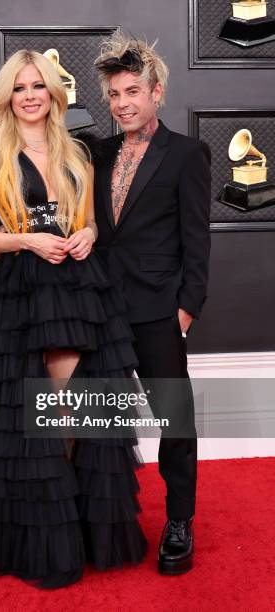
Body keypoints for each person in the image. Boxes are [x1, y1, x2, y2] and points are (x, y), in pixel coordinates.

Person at [0, 49, 148, 589]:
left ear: (53, 93)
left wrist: (86, 234)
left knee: (66, 412)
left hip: (72, 290)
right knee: (15, 420)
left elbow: (85, 220)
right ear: (6, 97)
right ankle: (27, 532)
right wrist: (26, 240)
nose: (30, 95)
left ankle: (66, 524)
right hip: (14, 292)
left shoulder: (79, 153)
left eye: (38, 85)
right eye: (19, 87)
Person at [79, 32, 211, 575]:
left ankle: (179, 520)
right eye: (114, 94)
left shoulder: (186, 154)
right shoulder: (96, 151)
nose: (123, 103)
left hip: (158, 310)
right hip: (101, 308)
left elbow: (196, 238)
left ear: (157, 92)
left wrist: (186, 308)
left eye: (133, 90)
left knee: (173, 421)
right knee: (94, 421)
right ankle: (102, 517)